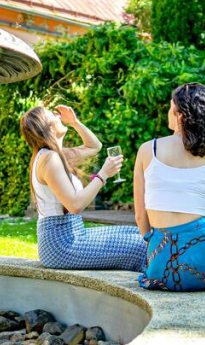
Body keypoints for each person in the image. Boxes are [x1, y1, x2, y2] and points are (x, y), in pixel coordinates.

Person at [133, 83, 205, 298]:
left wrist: (155, 245)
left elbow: (140, 215)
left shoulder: (148, 149)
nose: (168, 113)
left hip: (162, 264)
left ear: (181, 115)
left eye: (171, 108)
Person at [20, 104, 146, 271]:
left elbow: (94, 147)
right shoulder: (49, 159)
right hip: (61, 245)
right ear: (46, 126)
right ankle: (161, 279)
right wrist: (103, 174)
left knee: (138, 234)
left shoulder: (56, 155)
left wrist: (75, 122)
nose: (58, 116)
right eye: (53, 115)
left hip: (72, 235)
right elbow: (75, 205)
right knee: (139, 247)